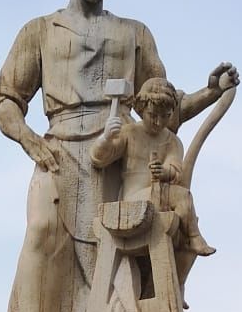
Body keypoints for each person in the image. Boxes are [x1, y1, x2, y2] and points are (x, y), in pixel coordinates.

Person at [0, 0, 236, 312]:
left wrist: (211, 92)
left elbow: (163, 108)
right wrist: (31, 142)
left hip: (118, 158)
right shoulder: (40, 30)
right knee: (42, 230)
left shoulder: (134, 33)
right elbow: (5, 100)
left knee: (117, 259)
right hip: (58, 150)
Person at [91, 76, 216, 264]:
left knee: (183, 196)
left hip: (160, 196)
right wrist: (106, 138)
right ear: (141, 110)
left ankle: (189, 237)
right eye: (153, 115)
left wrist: (164, 172)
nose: (158, 122)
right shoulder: (130, 132)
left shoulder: (172, 141)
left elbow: (176, 170)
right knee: (179, 197)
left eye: (165, 116)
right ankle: (192, 237)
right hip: (133, 200)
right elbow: (99, 159)